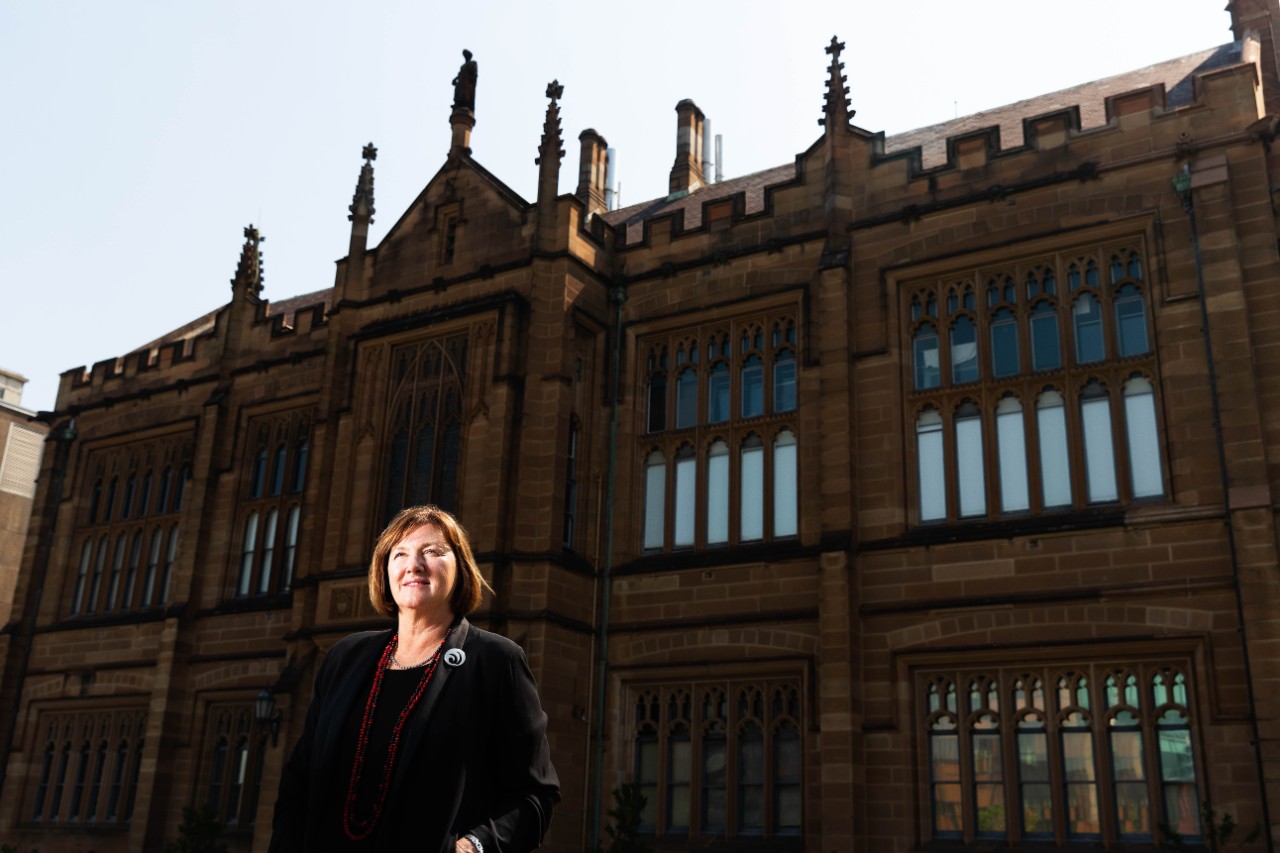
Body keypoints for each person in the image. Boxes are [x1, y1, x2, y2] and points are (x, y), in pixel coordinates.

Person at [269, 505, 559, 852]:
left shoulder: (496, 662)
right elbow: (299, 782)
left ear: (461, 569)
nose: (414, 565)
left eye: (432, 551)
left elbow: (535, 794)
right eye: (400, 553)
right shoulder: (344, 659)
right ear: (385, 570)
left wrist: (474, 847)